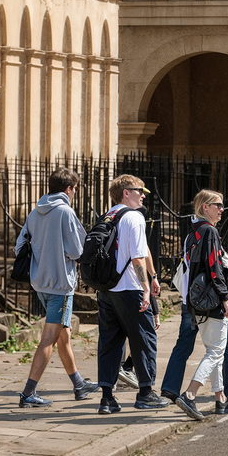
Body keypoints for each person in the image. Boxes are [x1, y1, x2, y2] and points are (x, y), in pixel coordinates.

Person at [15, 171, 96, 407]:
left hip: (39, 281)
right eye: (75, 189)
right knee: (49, 338)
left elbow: (20, 244)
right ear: (69, 189)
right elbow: (77, 250)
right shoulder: (65, 212)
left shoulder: (34, 211)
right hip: (60, 284)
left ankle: (78, 384)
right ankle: (28, 392)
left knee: (64, 335)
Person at [161, 187, 228, 413]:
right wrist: (225, 298)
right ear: (205, 207)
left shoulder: (193, 233)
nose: (222, 209)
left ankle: (221, 398)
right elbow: (213, 267)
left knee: (213, 347)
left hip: (194, 301)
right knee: (216, 351)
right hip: (211, 300)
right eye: (217, 205)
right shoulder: (209, 232)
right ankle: (190, 394)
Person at [93, 174, 164, 412]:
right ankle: (145, 392)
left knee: (110, 342)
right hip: (130, 288)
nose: (143, 195)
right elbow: (137, 256)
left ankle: (107, 398)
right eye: (139, 190)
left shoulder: (108, 215)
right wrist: (146, 289)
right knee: (143, 340)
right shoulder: (133, 217)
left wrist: (152, 276)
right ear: (126, 192)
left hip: (107, 288)